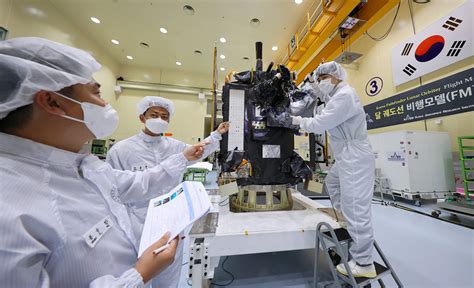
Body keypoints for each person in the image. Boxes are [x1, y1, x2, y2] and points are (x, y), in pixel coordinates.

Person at [0, 37, 206, 286]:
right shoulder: (10, 209)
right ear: (53, 102)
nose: (105, 103)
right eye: (96, 92)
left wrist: (183, 157)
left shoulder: (84, 166)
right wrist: (139, 275)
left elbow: (137, 183)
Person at [106, 96, 230, 287]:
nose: (159, 119)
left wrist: (216, 135)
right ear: (142, 117)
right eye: (154, 115)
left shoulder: (175, 147)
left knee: (169, 275)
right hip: (138, 222)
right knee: (140, 276)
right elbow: (114, 192)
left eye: (164, 116)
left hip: (172, 221)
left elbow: (198, 151)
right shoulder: (121, 150)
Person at [291, 61, 376, 278]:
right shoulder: (335, 96)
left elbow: (319, 123)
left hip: (354, 156)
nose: (321, 82)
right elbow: (324, 106)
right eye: (319, 79)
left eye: (322, 78)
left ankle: (364, 262)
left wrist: (294, 120)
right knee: (332, 183)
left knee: (356, 206)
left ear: (335, 76)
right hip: (346, 156)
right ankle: (347, 222)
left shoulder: (345, 95)